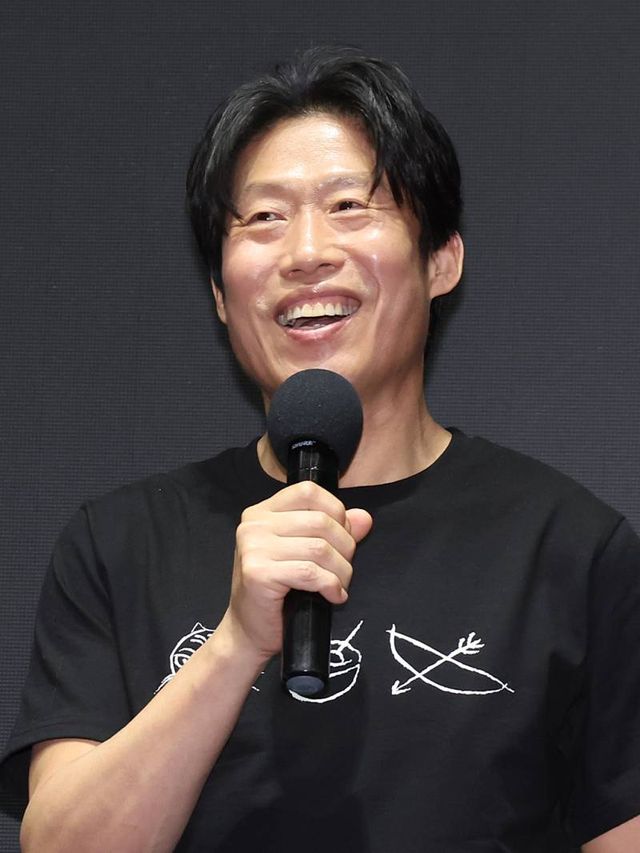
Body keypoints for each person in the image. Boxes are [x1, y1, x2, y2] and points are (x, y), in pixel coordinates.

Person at [2, 45, 639, 852]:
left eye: (349, 206)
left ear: (442, 260)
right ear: (219, 292)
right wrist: (235, 643)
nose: (305, 253)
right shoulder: (120, 544)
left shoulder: (571, 550)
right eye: (264, 218)